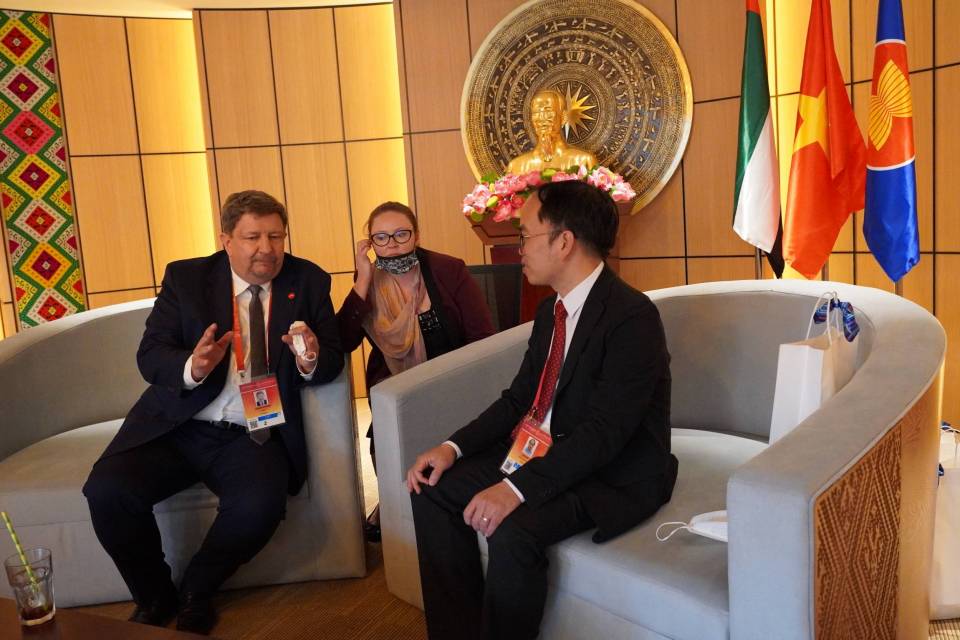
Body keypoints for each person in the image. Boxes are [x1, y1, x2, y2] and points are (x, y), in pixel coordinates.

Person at [406, 180, 677, 640]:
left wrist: (515, 489)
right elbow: (519, 400)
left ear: (564, 241)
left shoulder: (632, 317)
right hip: (544, 453)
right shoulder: (552, 310)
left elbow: (604, 434)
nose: (520, 250)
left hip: (609, 472)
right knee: (433, 488)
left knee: (513, 529)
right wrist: (453, 447)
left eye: (526, 235)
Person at [83, 190, 344, 635]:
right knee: (107, 491)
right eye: (253, 237)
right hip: (180, 424)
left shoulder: (309, 281)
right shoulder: (187, 278)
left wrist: (310, 358)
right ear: (226, 240)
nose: (267, 249)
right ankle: (154, 596)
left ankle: (197, 588)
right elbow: (151, 354)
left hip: (252, 430)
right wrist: (193, 366)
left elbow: (331, 358)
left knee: (260, 506)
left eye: (276, 236)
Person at [337, 201, 495, 541]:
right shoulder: (369, 279)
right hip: (397, 387)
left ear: (416, 235)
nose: (392, 244)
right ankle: (396, 507)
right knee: (386, 442)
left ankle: (437, 507)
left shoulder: (448, 270)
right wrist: (362, 280)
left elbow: (482, 336)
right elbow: (343, 340)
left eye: (401, 234)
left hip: (452, 382)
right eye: (381, 237)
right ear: (370, 243)